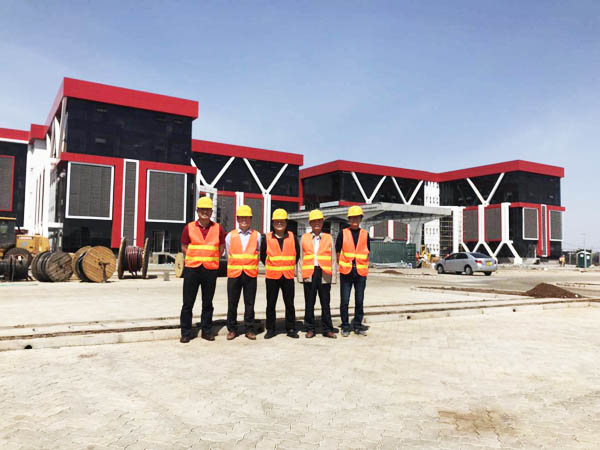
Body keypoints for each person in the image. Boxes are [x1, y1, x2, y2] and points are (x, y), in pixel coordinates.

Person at [179, 196, 226, 343]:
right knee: (188, 303)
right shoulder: (189, 227)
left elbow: (221, 248)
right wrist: (195, 256)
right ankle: (186, 333)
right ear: (197, 211)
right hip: (192, 269)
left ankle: (207, 331)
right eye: (202, 209)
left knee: (208, 303)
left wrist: (211, 257)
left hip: (210, 270)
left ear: (211, 211)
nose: (205, 212)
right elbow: (184, 246)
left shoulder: (218, 228)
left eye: (207, 209)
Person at [260, 208, 300, 339]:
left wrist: (288, 266)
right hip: (272, 276)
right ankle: (271, 329)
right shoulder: (267, 238)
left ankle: (291, 328)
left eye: (282, 221)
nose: (279, 223)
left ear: (286, 223)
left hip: (287, 276)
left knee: (289, 304)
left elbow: (297, 255)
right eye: (276, 221)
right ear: (273, 223)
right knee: (271, 304)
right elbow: (262, 256)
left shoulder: (292, 237)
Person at [298, 209, 337, 339]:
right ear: (310, 223)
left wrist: (334, 276)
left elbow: (333, 258)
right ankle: (310, 328)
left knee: (325, 303)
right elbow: (301, 257)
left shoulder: (328, 238)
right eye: (314, 221)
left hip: (324, 273)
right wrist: (300, 275)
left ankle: (328, 329)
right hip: (309, 273)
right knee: (309, 303)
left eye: (319, 221)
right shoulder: (304, 238)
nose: (316, 223)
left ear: (322, 222)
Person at [225, 205, 261, 341]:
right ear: (238, 219)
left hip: (250, 274)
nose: (244, 220)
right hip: (234, 274)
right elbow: (228, 254)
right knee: (232, 303)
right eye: (241, 217)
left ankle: (249, 329)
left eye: (247, 217)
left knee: (249, 303)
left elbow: (258, 252)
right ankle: (232, 329)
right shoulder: (230, 236)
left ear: (251, 219)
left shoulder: (257, 236)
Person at [336, 205, 370, 337]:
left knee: (359, 300)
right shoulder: (343, 233)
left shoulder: (365, 234)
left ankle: (357, 325)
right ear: (349, 219)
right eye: (352, 218)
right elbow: (337, 251)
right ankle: (345, 326)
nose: (354, 220)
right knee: (345, 300)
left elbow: (367, 251)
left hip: (360, 272)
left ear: (361, 219)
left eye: (357, 217)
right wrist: (343, 264)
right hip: (346, 271)